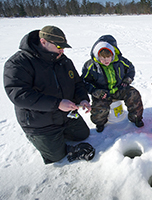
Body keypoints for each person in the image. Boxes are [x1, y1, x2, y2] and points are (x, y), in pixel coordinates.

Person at [3, 25, 95, 164]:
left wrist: (83, 99)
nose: (62, 50)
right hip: (40, 122)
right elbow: (18, 94)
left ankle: (58, 135)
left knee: (83, 134)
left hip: (65, 115)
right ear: (43, 42)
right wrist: (57, 104)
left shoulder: (64, 61)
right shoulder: (19, 63)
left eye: (63, 46)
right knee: (56, 156)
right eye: (58, 46)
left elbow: (77, 83)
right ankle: (41, 140)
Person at [82, 35, 144, 132]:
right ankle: (100, 123)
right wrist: (95, 91)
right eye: (102, 58)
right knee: (99, 113)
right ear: (97, 56)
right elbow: (84, 82)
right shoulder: (90, 66)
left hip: (119, 89)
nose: (105, 60)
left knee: (133, 94)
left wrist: (127, 79)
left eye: (108, 57)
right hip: (102, 93)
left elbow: (130, 69)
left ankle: (136, 118)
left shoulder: (120, 61)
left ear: (112, 55)